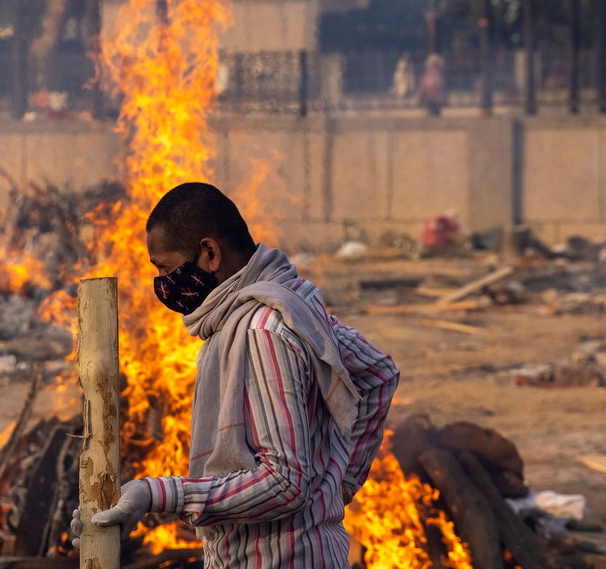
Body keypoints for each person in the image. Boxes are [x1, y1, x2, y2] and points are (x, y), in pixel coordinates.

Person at [89, 182, 399, 567]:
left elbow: (284, 483)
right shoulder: (291, 298)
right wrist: (340, 481)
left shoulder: (261, 329)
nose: (165, 284)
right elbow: (378, 373)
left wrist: (159, 494)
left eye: (166, 268)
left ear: (210, 252)